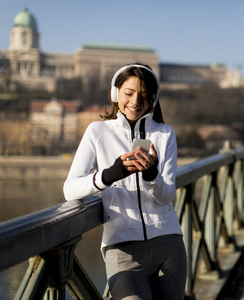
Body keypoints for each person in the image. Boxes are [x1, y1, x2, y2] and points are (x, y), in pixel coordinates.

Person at [63, 63, 187, 299]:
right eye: (128, 93)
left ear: (153, 99)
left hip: (169, 245)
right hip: (122, 250)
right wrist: (110, 174)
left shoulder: (165, 134)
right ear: (115, 93)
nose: (135, 101)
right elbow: (70, 190)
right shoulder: (97, 131)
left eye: (143, 95)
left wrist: (151, 174)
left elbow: (167, 195)